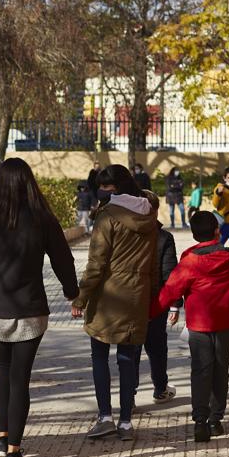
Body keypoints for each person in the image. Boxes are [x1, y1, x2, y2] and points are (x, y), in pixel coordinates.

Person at [0, 158, 79, 457]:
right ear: (29, 182)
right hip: (31, 309)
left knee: (4, 372)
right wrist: (73, 293)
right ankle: (14, 453)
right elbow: (63, 259)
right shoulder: (43, 219)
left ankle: (1, 441)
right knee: (21, 378)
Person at [70, 165, 159, 442]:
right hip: (137, 294)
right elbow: (154, 261)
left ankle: (105, 417)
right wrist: (153, 294)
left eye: (106, 187)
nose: (103, 192)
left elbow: (96, 264)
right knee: (128, 358)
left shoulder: (107, 216)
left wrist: (81, 297)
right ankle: (126, 422)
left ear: (116, 188)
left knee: (99, 354)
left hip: (108, 297)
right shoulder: (149, 213)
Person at [150, 211, 229, 443]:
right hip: (226, 323)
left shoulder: (189, 261)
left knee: (201, 372)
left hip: (200, 326)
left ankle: (200, 421)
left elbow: (169, 292)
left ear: (193, 234)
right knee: (221, 371)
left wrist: (148, 314)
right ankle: (216, 420)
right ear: (217, 231)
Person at [143, 224, 180, 405]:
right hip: (156, 303)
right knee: (157, 347)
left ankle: (128, 398)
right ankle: (160, 389)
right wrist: (174, 304)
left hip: (128, 302)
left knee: (129, 350)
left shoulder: (121, 230)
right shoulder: (163, 237)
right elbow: (170, 274)